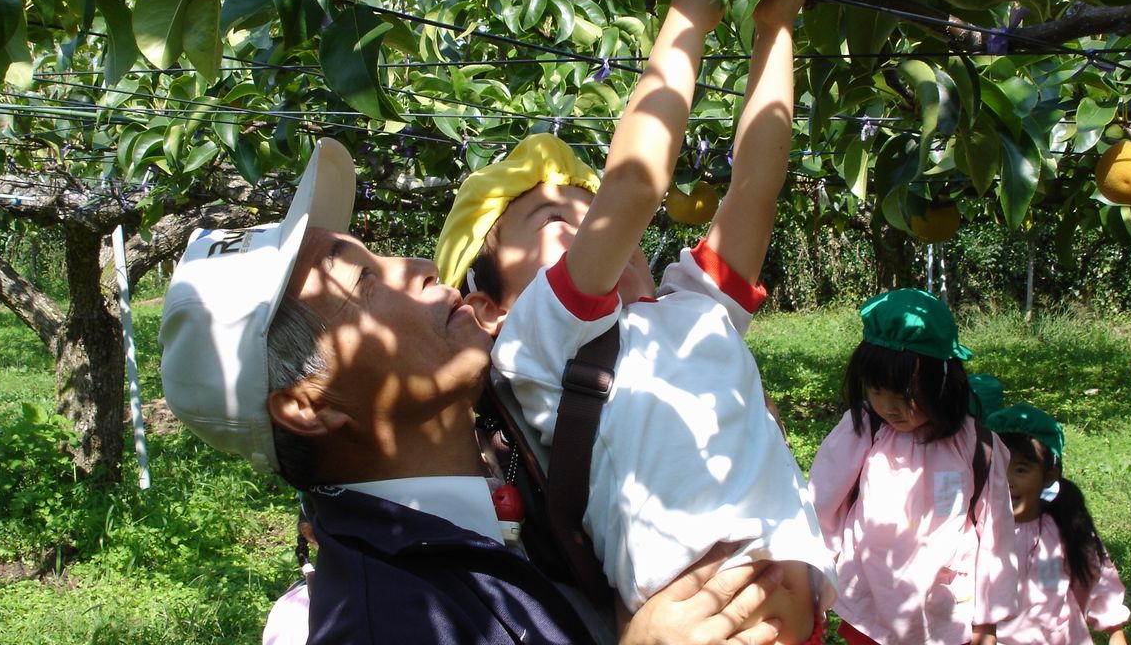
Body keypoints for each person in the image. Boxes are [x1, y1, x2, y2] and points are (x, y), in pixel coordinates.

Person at [159, 137, 792, 645]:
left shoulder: (522, 452)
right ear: (309, 402)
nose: (420, 267)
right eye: (364, 282)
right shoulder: (385, 620)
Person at [434, 0, 837, 642]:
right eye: (556, 219)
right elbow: (635, 186)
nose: (593, 225)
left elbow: (756, 186)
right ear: (491, 307)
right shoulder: (538, 344)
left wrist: (779, 23)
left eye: (587, 211)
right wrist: (690, 6)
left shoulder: (698, 307)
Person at [807, 288, 1019, 645]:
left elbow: (996, 532)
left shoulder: (977, 446)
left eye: (906, 396)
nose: (889, 408)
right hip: (870, 601)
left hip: (945, 608)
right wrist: (814, 576)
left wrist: (987, 622)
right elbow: (823, 502)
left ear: (943, 382)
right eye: (876, 391)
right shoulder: (864, 427)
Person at [986, 403, 1130, 645]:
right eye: (1000, 468)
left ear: (1049, 475)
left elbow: (1099, 578)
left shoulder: (1064, 529)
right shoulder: (981, 530)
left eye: (1021, 470)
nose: (1008, 480)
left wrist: (1115, 630)